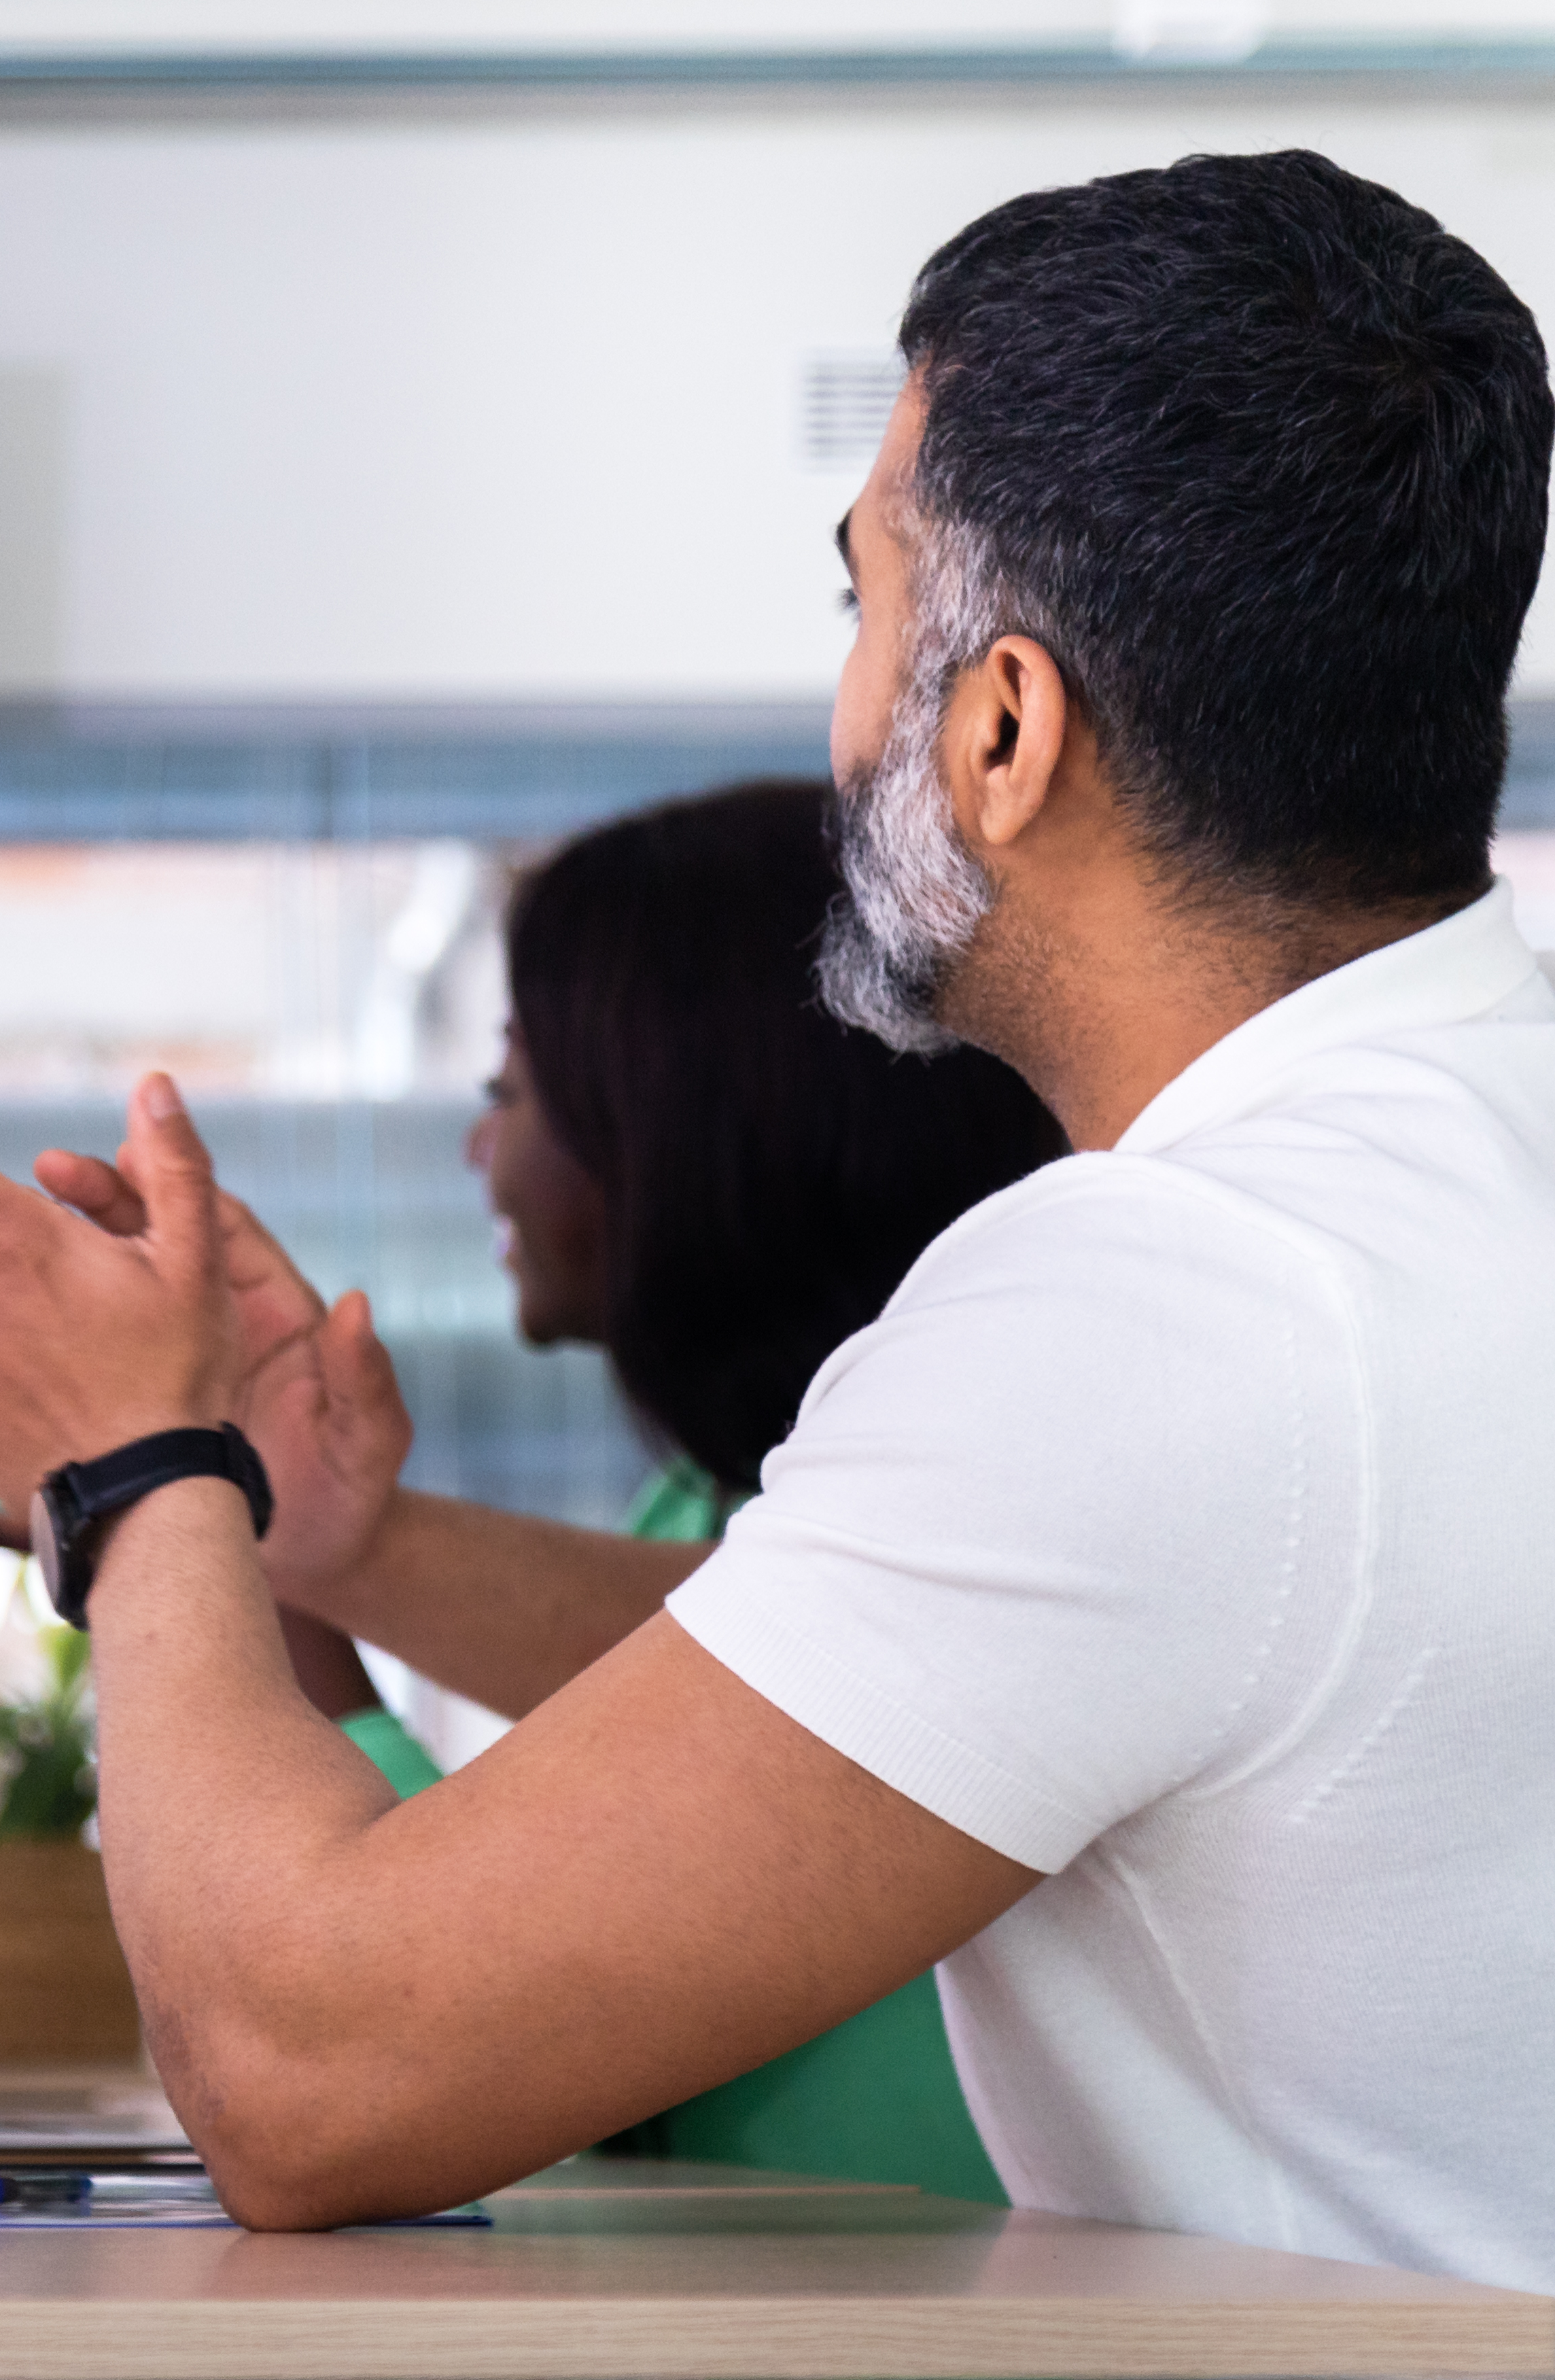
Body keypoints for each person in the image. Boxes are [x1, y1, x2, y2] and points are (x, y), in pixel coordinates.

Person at [0, 150, 1555, 2379]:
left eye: (862, 607)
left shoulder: (1183, 1300)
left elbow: (308, 2078)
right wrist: (329, 1529)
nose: (844, 709)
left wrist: (132, 1479)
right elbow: (904, 1647)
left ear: (998, 732)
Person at [276, 781, 1064, 2200]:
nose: (477, 1151)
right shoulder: (687, 1517)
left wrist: (242, 1533)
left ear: (670, 1127)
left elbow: (435, 2029)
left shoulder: (974, 1524)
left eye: (506, 1088)